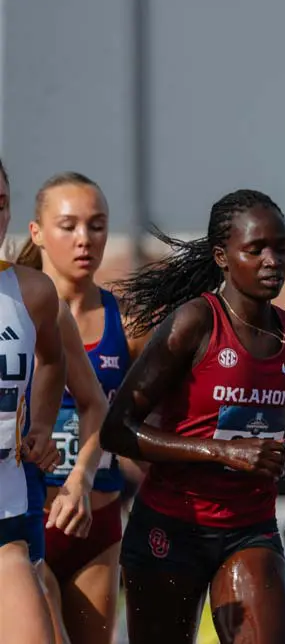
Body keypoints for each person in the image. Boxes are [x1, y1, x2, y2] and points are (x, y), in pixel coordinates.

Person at [100, 189, 285, 644]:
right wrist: (221, 452)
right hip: (172, 526)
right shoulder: (194, 323)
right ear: (222, 256)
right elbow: (117, 430)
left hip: (249, 527)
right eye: (256, 249)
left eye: (281, 247)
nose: (273, 260)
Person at [18, 171, 146, 644]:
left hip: (98, 520)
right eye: (68, 226)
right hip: (29, 515)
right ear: (37, 233)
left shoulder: (127, 322)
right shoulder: (18, 311)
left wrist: (84, 476)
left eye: (97, 225)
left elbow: (129, 421)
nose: (84, 239)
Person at [0, 157, 69, 644]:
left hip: (5, 527)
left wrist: (40, 427)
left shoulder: (31, 292)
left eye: (0, 202)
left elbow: (52, 361)